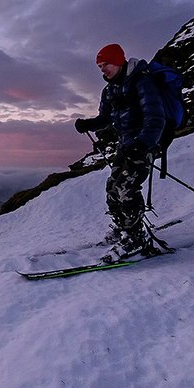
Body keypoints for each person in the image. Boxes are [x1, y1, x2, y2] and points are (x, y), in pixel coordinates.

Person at [74, 43, 165, 263]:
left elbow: (156, 117)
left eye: (105, 64)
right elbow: (106, 118)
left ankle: (135, 238)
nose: (102, 70)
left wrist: (143, 143)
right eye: (100, 66)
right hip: (126, 145)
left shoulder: (141, 81)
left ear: (118, 61)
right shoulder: (110, 89)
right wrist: (88, 124)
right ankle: (124, 228)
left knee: (127, 187)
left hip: (144, 145)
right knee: (112, 187)